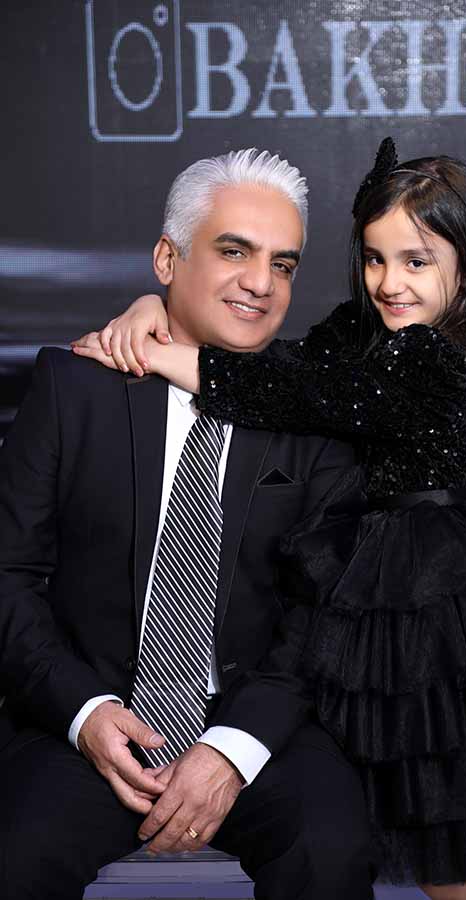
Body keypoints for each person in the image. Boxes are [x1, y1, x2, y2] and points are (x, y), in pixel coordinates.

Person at [76, 138, 466, 900]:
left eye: (416, 261)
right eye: (375, 259)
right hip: (386, 592)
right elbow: (282, 359)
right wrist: (157, 308)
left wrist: (162, 355)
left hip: (439, 610)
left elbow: (295, 394)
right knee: (445, 870)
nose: (389, 282)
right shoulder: (367, 335)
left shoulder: (438, 360)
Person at [0, 149, 376, 900]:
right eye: (234, 251)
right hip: (85, 718)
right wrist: (84, 713)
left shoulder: (318, 410)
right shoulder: (75, 388)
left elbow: (324, 615)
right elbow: (7, 576)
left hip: (258, 726)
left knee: (330, 849)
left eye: (283, 263)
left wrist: (232, 751)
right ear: (167, 260)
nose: (262, 282)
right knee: (16, 856)